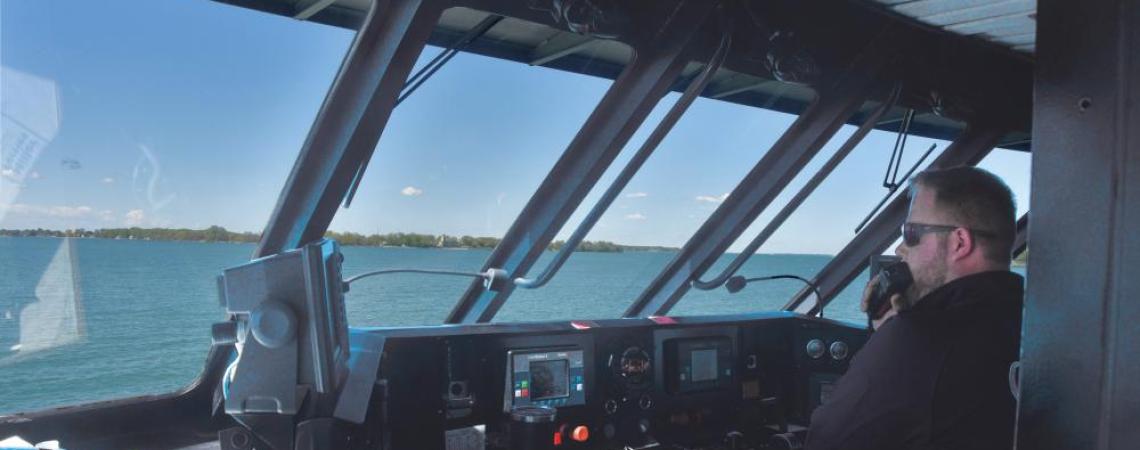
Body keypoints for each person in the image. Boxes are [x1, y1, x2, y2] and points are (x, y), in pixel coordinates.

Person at [805, 166, 1023, 450]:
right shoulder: (1029, 321)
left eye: (911, 233)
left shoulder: (922, 338)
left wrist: (892, 338)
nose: (900, 249)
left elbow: (826, 441)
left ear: (959, 242)